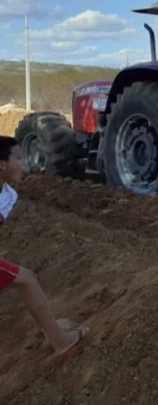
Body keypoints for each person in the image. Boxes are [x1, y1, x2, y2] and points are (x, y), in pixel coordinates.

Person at [0, 135, 88, 357]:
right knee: (27, 280)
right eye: (18, 158)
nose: (23, 163)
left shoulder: (8, 196)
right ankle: (61, 342)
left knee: (25, 278)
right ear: (2, 165)